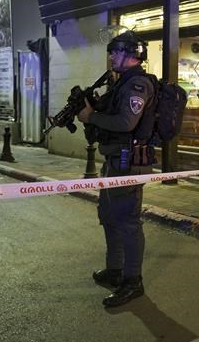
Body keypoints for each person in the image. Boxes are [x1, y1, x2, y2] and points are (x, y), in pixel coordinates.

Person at [77, 30, 157, 307]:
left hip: (129, 164)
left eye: (115, 51)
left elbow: (126, 123)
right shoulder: (121, 82)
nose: (111, 56)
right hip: (114, 162)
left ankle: (132, 281)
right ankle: (115, 270)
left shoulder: (138, 85)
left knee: (127, 223)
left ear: (129, 53)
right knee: (109, 216)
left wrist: (91, 116)